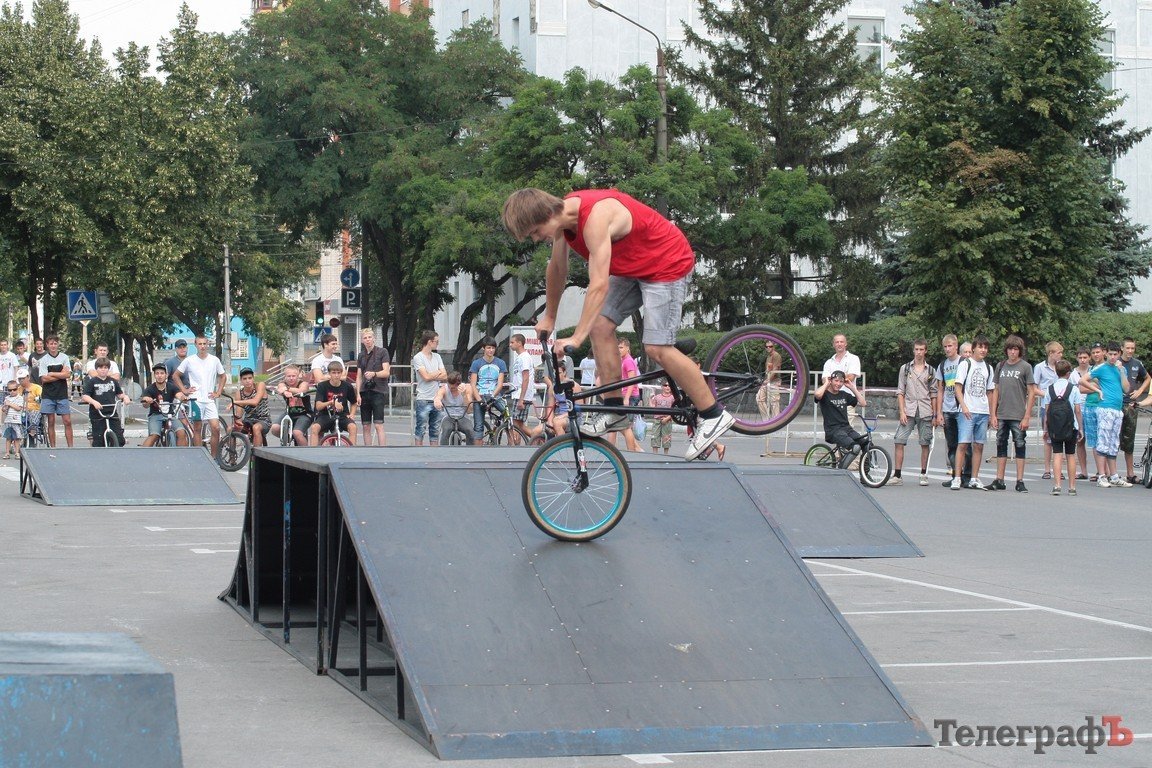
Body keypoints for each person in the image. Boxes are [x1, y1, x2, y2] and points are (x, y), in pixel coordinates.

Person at [502, 187, 733, 461]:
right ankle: (614, 410)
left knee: (657, 347)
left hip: (665, 264)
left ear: (550, 212)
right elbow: (557, 269)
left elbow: (598, 285)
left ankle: (713, 414)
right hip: (633, 268)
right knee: (601, 327)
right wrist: (550, 316)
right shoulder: (564, 224)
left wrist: (577, 337)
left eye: (535, 231)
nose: (536, 238)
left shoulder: (596, 217)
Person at [988, 335, 1036, 493]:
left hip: (1018, 414)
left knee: (1020, 445)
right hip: (1002, 413)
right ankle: (999, 479)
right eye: (1010, 349)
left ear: (1020, 351)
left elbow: (1031, 391)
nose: (1012, 352)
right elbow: (996, 390)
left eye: (1015, 349)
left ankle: (1020, 480)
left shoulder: (1026, 367)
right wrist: (993, 414)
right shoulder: (1001, 366)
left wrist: (1027, 415)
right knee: (1001, 445)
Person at [1080, 341, 1130, 487]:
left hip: (1117, 409)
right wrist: (1097, 390)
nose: (1113, 357)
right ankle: (1102, 475)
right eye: (1110, 354)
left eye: (1115, 354)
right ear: (1106, 354)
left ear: (1119, 354)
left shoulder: (1121, 369)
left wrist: (1121, 371)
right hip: (1105, 408)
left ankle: (1113, 476)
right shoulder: (1102, 368)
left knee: (1114, 443)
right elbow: (1083, 380)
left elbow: (1126, 389)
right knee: (1103, 441)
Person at [951, 336, 995, 491]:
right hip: (968, 410)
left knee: (979, 445)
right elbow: (957, 387)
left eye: (985, 347)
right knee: (963, 444)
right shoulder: (966, 364)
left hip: (982, 411)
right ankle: (957, 477)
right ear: (974, 348)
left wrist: (991, 413)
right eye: (980, 347)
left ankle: (974, 478)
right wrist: (963, 406)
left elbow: (990, 392)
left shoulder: (988, 368)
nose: (983, 350)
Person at [893, 338, 937, 486]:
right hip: (909, 409)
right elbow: (900, 391)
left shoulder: (931, 370)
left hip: (925, 410)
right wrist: (902, 411)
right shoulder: (905, 369)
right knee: (899, 439)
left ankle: (923, 473)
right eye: (916, 349)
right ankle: (897, 475)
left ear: (925, 351)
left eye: (921, 350)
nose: (918, 352)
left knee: (925, 442)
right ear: (913, 350)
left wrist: (935, 414)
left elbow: (934, 393)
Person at [174, 336, 227, 457]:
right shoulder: (189, 360)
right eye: (200, 344)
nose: (202, 346)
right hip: (195, 399)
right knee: (197, 428)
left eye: (204, 344)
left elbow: (223, 376)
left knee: (216, 428)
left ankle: (214, 458)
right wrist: (184, 390)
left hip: (209, 399)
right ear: (195, 345)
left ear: (207, 344)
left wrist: (218, 392)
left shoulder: (214, 360)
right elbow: (175, 375)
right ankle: (200, 457)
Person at [935, 335, 971, 488]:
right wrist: (939, 413)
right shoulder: (942, 365)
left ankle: (967, 476)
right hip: (948, 410)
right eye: (945, 347)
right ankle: (956, 474)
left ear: (956, 346)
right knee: (952, 445)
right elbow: (940, 390)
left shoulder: (964, 362)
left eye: (950, 346)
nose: (948, 349)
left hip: (961, 409)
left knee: (965, 445)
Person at [814, 370, 867, 469]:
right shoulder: (824, 395)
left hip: (847, 429)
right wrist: (826, 383)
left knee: (867, 445)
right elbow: (817, 395)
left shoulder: (844, 395)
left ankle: (865, 475)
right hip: (833, 431)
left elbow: (863, 403)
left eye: (841, 382)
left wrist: (852, 388)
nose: (838, 384)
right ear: (831, 380)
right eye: (836, 381)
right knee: (855, 448)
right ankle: (841, 471)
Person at [1046, 359, 1083, 497]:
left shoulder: (1050, 389)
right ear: (1068, 373)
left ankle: (1057, 485)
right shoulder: (1073, 389)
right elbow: (1078, 410)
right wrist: (1080, 427)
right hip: (1070, 426)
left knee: (1057, 454)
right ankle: (1072, 487)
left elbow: (1047, 410)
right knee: (1070, 455)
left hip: (1055, 427)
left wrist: (1046, 428)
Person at [1119, 337, 1149, 484]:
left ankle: (1130, 473)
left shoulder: (1137, 364)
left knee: (1129, 441)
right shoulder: (1115, 362)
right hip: (1115, 404)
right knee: (1111, 440)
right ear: (1122, 348)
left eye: (1132, 348)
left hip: (1131, 405)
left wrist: (1140, 391)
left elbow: (1147, 378)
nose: (1130, 351)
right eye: (1128, 348)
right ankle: (1105, 473)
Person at [81, 358, 130, 447]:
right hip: (97, 414)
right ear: (96, 369)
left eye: (105, 368)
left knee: (119, 439)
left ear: (108, 369)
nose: (103, 370)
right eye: (100, 368)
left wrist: (125, 397)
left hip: (111, 412)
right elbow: (85, 396)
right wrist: (94, 402)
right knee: (99, 441)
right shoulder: (92, 382)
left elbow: (119, 394)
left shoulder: (113, 381)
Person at [1033, 341, 1063, 481]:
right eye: (1058, 352)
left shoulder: (1061, 367)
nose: (1061, 355)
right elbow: (1034, 388)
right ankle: (1046, 469)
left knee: (1060, 437)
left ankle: (1059, 469)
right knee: (1047, 438)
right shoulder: (1040, 367)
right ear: (1051, 353)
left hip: (1061, 405)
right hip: (1047, 405)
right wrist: (1047, 394)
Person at [37, 335, 74, 448]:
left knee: (67, 421)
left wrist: (52, 373)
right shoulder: (43, 360)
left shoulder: (64, 357)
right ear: (47, 345)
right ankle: (53, 447)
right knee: (51, 421)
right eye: (51, 343)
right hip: (48, 394)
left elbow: (68, 374)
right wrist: (61, 375)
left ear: (58, 344)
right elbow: (44, 379)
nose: (53, 346)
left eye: (55, 343)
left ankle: (71, 447)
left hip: (62, 394)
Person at [355, 329, 391, 446]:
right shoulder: (361, 355)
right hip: (365, 391)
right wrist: (358, 394)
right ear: (362, 340)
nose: (368, 340)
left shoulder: (382, 352)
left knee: (378, 424)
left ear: (374, 338)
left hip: (378, 391)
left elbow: (386, 372)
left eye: (369, 337)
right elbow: (359, 376)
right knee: (365, 425)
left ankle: (382, 451)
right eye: (365, 338)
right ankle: (368, 451)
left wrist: (374, 374)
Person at [469, 337, 507, 443]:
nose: (491, 350)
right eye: (488, 348)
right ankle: (478, 451)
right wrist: (479, 399)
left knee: (507, 416)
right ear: (483, 349)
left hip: (494, 395)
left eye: (493, 348)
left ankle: (510, 440)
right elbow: (473, 384)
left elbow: (500, 384)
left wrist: (493, 396)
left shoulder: (500, 363)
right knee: (478, 426)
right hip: (480, 394)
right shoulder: (476, 363)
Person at [310, 360, 358, 445]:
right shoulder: (322, 386)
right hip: (325, 415)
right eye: (334, 373)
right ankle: (314, 451)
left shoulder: (347, 386)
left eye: (338, 373)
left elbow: (353, 402)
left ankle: (351, 450)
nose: (336, 375)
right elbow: (318, 406)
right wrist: (331, 403)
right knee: (314, 428)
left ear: (341, 373)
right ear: (329, 373)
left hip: (342, 415)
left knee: (353, 427)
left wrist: (352, 414)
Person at [140, 363, 189, 447]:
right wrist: (146, 401)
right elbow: (145, 404)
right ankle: (141, 456)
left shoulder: (171, 387)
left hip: (170, 415)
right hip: (155, 416)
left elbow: (179, 395)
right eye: (157, 373)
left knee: (181, 432)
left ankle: (181, 456)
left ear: (166, 375)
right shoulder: (150, 389)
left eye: (162, 373)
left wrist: (183, 398)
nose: (159, 376)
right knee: (154, 435)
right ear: (154, 375)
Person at [412, 330, 446, 446]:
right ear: (429, 342)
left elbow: (445, 375)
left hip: (436, 398)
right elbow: (425, 377)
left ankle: (434, 456)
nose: (437, 344)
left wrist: (432, 374)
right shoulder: (418, 357)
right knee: (420, 429)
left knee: (435, 430)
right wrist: (437, 373)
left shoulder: (437, 356)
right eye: (436, 341)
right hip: (423, 398)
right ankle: (419, 454)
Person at [1079, 341, 1106, 480]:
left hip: (1103, 406)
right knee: (1094, 441)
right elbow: (1081, 388)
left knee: (1105, 439)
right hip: (1089, 406)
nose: (1096, 354)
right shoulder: (1090, 370)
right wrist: (1096, 387)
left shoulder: (1109, 367)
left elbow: (1108, 387)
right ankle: (1099, 472)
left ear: (1104, 353)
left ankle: (1106, 472)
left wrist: (1094, 385)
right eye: (1094, 352)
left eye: (1098, 352)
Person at [273, 364, 313, 446]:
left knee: (297, 433)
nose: (291, 378)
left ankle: (306, 452)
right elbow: (280, 388)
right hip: (289, 413)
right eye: (289, 376)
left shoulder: (303, 383)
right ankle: (291, 437)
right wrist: (284, 391)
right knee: (275, 429)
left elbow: (301, 390)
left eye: (293, 376)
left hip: (304, 414)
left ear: (298, 376)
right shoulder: (283, 383)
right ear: (285, 377)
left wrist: (287, 389)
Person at [434, 371, 476, 445]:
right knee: (446, 430)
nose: (451, 389)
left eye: (453, 388)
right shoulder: (444, 388)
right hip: (448, 416)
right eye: (450, 387)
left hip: (463, 416)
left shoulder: (467, 388)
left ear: (459, 385)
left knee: (470, 431)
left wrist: (464, 395)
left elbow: (469, 410)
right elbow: (438, 396)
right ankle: (443, 450)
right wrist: (437, 401)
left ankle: (470, 450)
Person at [234, 368, 272, 447]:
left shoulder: (260, 385)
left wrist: (235, 402)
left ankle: (255, 457)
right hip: (248, 420)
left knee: (256, 427)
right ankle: (232, 457)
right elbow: (239, 413)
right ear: (241, 380)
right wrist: (237, 421)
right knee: (230, 429)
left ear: (253, 378)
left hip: (264, 420)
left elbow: (255, 402)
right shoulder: (239, 393)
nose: (247, 381)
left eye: (250, 378)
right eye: (244, 379)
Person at [508, 333, 534, 445]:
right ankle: (539, 439)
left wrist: (521, 399)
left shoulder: (525, 357)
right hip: (518, 394)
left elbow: (526, 378)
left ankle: (516, 445)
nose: (510, 345)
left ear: (519, 343)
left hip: (521, 395)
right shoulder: (520, 357)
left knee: (515, 424)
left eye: (512, 342)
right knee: (519, 424)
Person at [1071, 346, 1092, 480]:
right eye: (1080, 358)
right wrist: (1092, 388)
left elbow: (1099, 387)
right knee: (1080, 440)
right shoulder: (1073, 374)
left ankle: (1101, 472)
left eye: (1085, 357)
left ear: (1089, 358)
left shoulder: (1094, 371)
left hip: (1091, 406)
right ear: (1077, 358)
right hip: (1077, 407)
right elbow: (1074, 390)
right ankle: (1083, 471)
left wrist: (1083, 388)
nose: (1083, 360)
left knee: (1095, 440)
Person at [648, 381, 676, 455]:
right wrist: (650, 399)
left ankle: (666, 455)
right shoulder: (657, 397)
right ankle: (655, 455)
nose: (667, 387)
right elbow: (653, 407)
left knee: (666, 438)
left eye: (669, 386)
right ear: (662, 387)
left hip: (667, 420)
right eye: (665, 385)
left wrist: (667, 418)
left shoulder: (673, 398)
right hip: (657, 420)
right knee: (655, 436)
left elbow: (675, 411)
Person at [16, 368, 42, 442]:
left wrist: (38, 399)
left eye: (23, 378)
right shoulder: (18, 389)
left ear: (28, 377)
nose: (21, 380)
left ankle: (32, 432)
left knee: (33, 413)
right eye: (19, 379)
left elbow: (41, 398)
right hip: (22, 410)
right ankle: (20, 436)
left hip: (34, 409)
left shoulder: (37, 388)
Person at [2, 378, 25, 459]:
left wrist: (10, 404)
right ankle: (7, 453)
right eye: (10, 390)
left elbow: (18, 408)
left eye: (14, 389)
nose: (12, 392)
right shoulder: (7, 398)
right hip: (8, 420)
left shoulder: (20, 398)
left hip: (16, 421)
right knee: (8, 438)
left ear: (17, 389)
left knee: (16, 438)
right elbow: (4, 410)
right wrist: (5, 407)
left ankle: (17, 452)